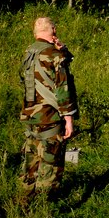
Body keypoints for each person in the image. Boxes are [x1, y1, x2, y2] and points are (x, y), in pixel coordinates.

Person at [19, 16, 78, 198]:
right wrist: (68, 119)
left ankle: (25, 200)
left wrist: (63, 51)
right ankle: (46, 204)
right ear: (53, 30)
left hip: (30, 114)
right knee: (51, 161)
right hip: (50, 116)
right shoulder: (54, 55)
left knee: (31, 161)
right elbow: (63, 88)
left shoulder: (29, 53)